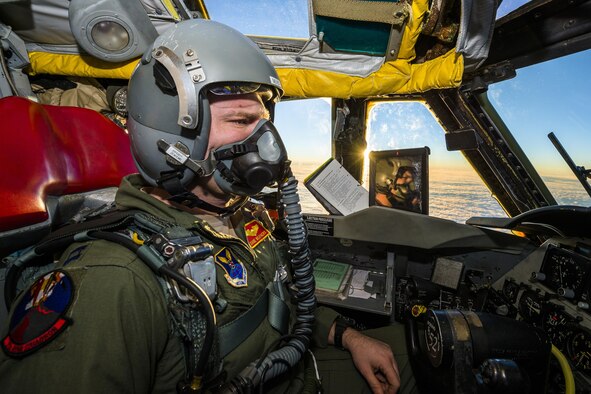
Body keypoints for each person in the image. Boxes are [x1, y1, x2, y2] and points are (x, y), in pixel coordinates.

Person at [0, 20, 417, 394]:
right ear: (173, 142)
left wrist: (345, 334)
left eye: (265, 124)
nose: (268, 145)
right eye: (241, 122)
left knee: (419, 350)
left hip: (300, 366)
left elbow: (285, 298)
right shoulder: (113, 283)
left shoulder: (238, 213)